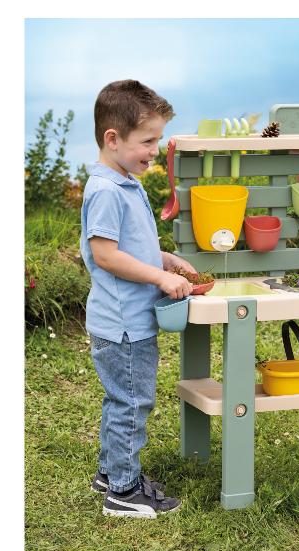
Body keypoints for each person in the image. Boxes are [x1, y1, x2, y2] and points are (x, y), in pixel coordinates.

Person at [80, 79, 196, 518]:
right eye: (148, 140)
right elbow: (106, 255)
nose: (155, 149)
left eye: (158, 139)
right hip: (124, 323)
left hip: (123, 320)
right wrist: (160, 280)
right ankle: (124, 494)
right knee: (132, 402)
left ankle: (111, 472)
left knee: (120, 399)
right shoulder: (108, 191)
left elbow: (127, 246)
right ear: (113, 139)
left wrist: (163, 259)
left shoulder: (124, 183)